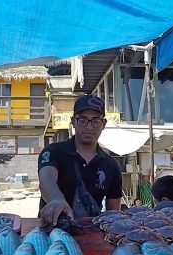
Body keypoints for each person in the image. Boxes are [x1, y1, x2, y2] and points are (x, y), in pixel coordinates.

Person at [38, 95, 122, 224]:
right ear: (73, 121)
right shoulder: (54, 151)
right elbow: (46, 177)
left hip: (92, 236)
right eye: (82, 120)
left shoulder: (111, 166)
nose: (89, 127)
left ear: (103, 124)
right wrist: (56, 200)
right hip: (52, 231)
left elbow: (114, 213)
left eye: (95, 121)